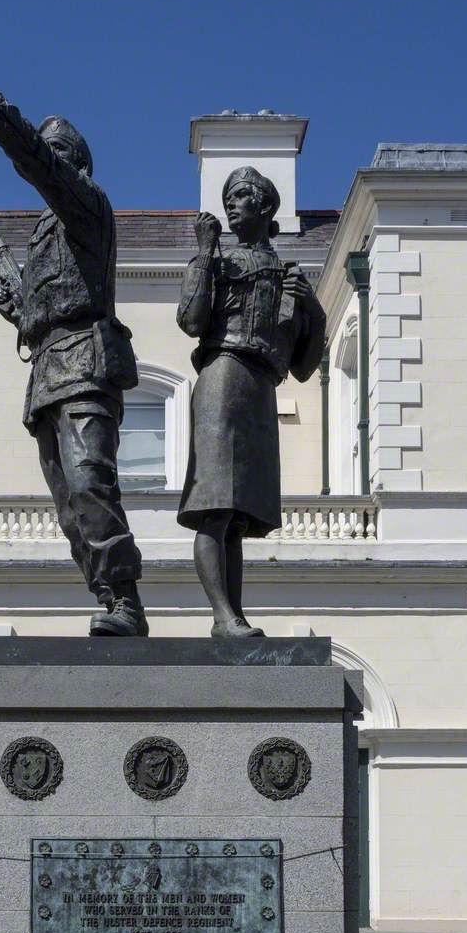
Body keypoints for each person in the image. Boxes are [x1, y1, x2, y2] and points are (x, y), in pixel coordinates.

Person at [0, 8, 147, 636]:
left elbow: (30, 159)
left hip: (84, 361)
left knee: (90, 485)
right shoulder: (47, 237)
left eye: (54, 154)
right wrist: (21, 309)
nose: (44, 161)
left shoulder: (87, 209)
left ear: (73, 165)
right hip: (48, 369)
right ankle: (109, 601)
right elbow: (47, 307)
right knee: (70, 508)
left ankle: (126, 601)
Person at [176, 166, 325, 637]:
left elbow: (302, 368)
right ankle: (223, 615)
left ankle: (231, 618)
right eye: (229, 197)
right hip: (223, 375)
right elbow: (192, 321)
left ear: (265, 206)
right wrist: (204, 253)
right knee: (214, 507)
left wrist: (315, 312)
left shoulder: (290, 277)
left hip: (261, 387)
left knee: (237, 519)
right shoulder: (216, 261)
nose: (231, 205)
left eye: (242, 196)